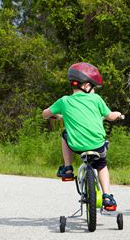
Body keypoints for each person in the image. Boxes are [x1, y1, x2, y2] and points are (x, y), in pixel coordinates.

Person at [42, 62, 123, 210]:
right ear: (86, 86)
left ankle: (67, 168)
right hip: (97, 146)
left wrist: (57, 115)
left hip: (76, 146)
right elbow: (110, 116)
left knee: (65, 134)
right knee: (102, 166)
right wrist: (117, 115)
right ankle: (108, 197)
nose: (93, 91)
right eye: (93, 87)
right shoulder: (96, 99)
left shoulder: (64, 101)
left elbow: (45, 114)